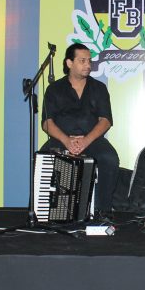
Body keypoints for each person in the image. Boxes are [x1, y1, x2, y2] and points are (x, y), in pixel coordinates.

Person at [41, 43, 120, 217]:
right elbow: (47, 122)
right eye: (82, 61)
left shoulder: (99, 88)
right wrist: (66, 140)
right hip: (61, 140)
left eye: (89, 61)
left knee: (110, 158)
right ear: (69, 63)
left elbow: (105, 121)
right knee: (42, 158)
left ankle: (103, 211)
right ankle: (42, 213)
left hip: (92, 140)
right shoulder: (54, 89)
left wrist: (85, 141)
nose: (88, 65)